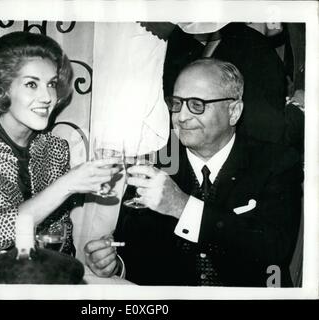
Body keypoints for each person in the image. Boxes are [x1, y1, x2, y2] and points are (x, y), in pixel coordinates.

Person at [85, 58, 303, 286]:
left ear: (234, 111)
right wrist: (115, 264)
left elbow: (273, 249)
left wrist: (180, 205)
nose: (181, 117)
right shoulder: (154, 166)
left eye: (197, 104)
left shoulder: (276, 162)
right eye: (177, 103)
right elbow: (134, 252)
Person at [0, 31, 120, 255]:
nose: (47, 97)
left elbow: (59, 237)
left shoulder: (54, 148)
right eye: (32, 85)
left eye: (51, 84)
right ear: (1, 87)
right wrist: (67, 185)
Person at [163, 22, 304, 150]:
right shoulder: (254, 48)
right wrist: (300, 107)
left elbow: (266, 133)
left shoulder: (253, 51)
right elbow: (270, 135)